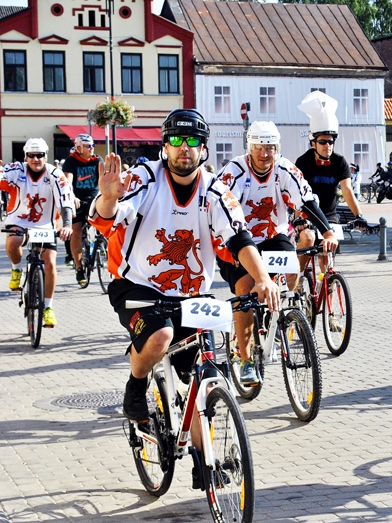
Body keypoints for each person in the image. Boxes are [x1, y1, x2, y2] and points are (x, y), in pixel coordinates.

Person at [89, 109, 280, 440]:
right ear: (165, 145)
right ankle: (135, 387)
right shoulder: (143, 179)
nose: (184, 147)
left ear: (203, 149)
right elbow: (108, 219)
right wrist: (107, 198)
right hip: (137, 285)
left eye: (192, 140)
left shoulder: (216, 191)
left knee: (200, 381)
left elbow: (239, 237)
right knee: (160, 337)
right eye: (176, 139)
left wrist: (262, 278)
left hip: (192, 296)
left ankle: (208, 464)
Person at [216, 121, 338, 384]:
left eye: (270, 147)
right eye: (259, 147)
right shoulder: (235, 171)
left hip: (272, 235)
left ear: (277, 148)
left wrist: (327, 232)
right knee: (247, 288)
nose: (265, 154)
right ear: (250, 147)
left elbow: (305, 201)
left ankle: (288, 310)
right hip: (238, 239)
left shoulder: (284, 169)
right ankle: (246, 358)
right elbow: (222, 209)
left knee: (291, 266)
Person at [2, 138, 74, 328]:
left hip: (45, 225)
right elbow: (2, 178)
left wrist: (66, 225)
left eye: (40, 155)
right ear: (25, 157)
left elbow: (65, 202)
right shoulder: (16, 170)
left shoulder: (56, 175)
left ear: (46, 156)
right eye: (31, 156)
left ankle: (48, 308)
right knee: (13, 241)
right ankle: (17, 269)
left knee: (49, 263)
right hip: (18, 220)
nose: (36, 159)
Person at [295, 91, 367, 272]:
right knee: (308, 239)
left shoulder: (339, 162)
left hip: (329, 217)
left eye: (331, 141)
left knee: (327, 265)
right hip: (306, 216)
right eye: (323, 141)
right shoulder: (303, 162)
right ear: (313, 143)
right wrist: (297, 219)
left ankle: (328, 294)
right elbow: (295, 192)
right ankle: (296, 279)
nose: (328, 145)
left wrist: (359, 216)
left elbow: (348, 190)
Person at [61, 133, 101, 284]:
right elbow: (67, 182)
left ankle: (102, 246)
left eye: (92, 145)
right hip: (76, 200)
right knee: (76, 231)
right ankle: (79, 268)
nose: (91, 148)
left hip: (93, 200)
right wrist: (72, 196)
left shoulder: (97, 160)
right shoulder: (71, 161)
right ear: (78, 148)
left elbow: (103, 178)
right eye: (87, 146)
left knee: (107, 223)